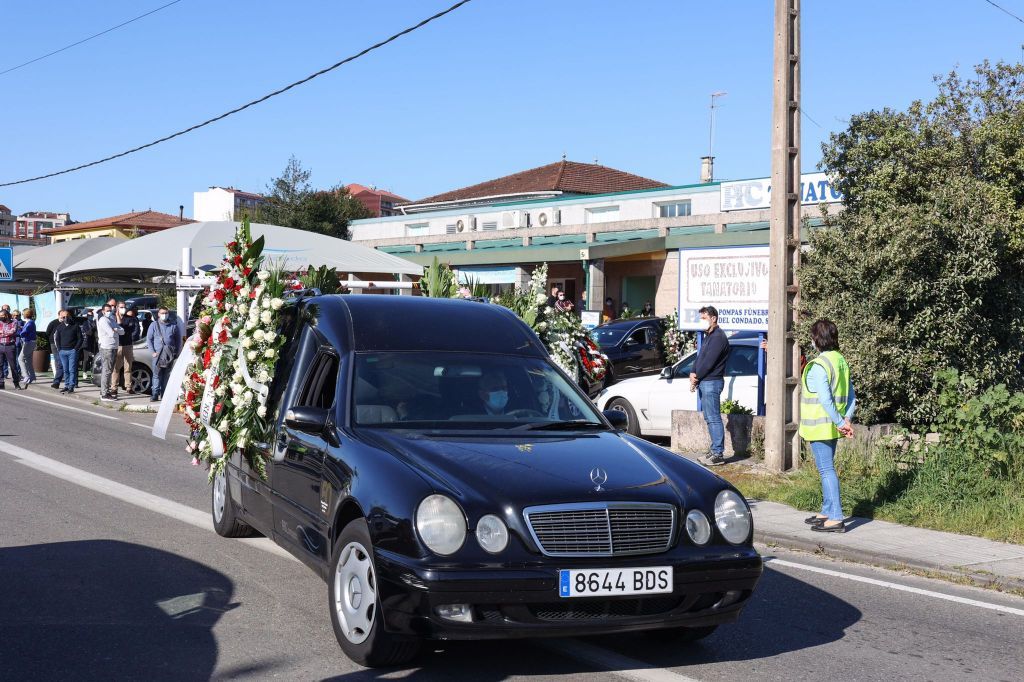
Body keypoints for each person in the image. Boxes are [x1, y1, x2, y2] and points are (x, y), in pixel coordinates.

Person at [800, 319, 857, 534]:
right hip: (834, 426)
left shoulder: (818, 365)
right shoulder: (840, 361)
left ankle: (836, 518)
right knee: (827, 468)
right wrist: (846, 420)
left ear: (817, 339)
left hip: (821, 427)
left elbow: (825, 400)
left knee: (826, 470)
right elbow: (852, 396)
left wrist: (841, 422)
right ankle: (826, 511)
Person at [689, 305, 730, 466]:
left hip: (712, 382)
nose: (702, 321)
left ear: (713, 318)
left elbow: (708, 362)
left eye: (704, 318)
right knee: (709, 418)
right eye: (701, 318)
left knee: (713, 418)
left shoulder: (719, 337)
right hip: (705, 381)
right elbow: (700, 358)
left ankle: (718, 453)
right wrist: (693, 372)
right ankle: (713, 450)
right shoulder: (709, 336)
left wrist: (696, 376)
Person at [147, 306, 183, 402]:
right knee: (156, 375)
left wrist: (178, 352)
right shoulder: (154, 325)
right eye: (162, 313)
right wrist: (153, 352)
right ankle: (155, 394)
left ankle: (164, 394)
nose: (164, 315)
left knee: (166, 375)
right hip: (157, 355)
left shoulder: (173, 326)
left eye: (166, 313)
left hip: (169, 355)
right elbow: (149, 340)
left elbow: (178, 340)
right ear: (158, 314)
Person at [96, 304, 124, 401]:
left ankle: (104, 391)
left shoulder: (111, 320)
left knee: (110, 370)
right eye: (107, 310)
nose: (109, 312)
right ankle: (104, 393)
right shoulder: (103, 320)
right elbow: (111, 333)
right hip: (107, 348)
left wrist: (115, 329)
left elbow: (122, 331)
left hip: (114, 347)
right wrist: (116, 330)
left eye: (110, 310)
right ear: (103, 311)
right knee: (107, 371)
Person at [53, 309, 84, 394]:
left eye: (67, 316)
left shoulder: (75, 326)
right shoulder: (59, 327)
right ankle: (66, 385)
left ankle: (71, 386)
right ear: (61, 318)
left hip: (72, 351)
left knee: (72, 370)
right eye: (63, 317)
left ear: (70, 316)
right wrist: (59, 349)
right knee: (65, 370)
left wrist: (75, 349)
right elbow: (57, 339)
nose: (65, 318)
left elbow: (80, 338)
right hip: (62, 351)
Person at [114, 303, 141, 396]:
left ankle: (129, 387)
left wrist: (128, 336)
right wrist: (117, 317)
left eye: (124, 307)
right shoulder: (113, 318)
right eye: (121, 307)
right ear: (117, 308)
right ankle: (114, 387)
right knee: (116, 368)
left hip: (128, 345)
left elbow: (131, 330)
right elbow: (117, 329)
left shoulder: (130, 318)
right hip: (117, 346)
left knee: (128, 367)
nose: (123, 309)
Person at [0, 308, 22, 389]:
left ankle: (16, 383)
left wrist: (2, 332)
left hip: (10, 346)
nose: (1, 317)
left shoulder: (14, 322)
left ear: (6, 315)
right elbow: (8, 333)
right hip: (0, 345)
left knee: (13, 366)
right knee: (0, 365)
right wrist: (5, 333)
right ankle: (1, 383)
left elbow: (12, 332)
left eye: (2, 316)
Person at [17, 308, 37, 386]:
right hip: (30, 342)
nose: (22, 315)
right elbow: (26, 330)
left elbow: (24, 333)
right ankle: (32, 376)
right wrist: (21, 328)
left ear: (25, 314)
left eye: (23, 313)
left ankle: (26, 376)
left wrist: (17, 332)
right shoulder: (29, 322)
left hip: (29, 343)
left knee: (20, 359)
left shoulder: (30, 323)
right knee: (28, 360)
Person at [46, 314, 65, 389]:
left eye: (65, 317)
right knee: (59, 362)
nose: (63, 318)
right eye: (62, 316)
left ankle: (68, 382)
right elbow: (48, 332)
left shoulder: (69, 324)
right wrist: (51, 340)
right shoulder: (53, 323)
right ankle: (57, 381)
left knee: (63, 364)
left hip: (66, 345)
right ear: (58, 315)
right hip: (54, 344)